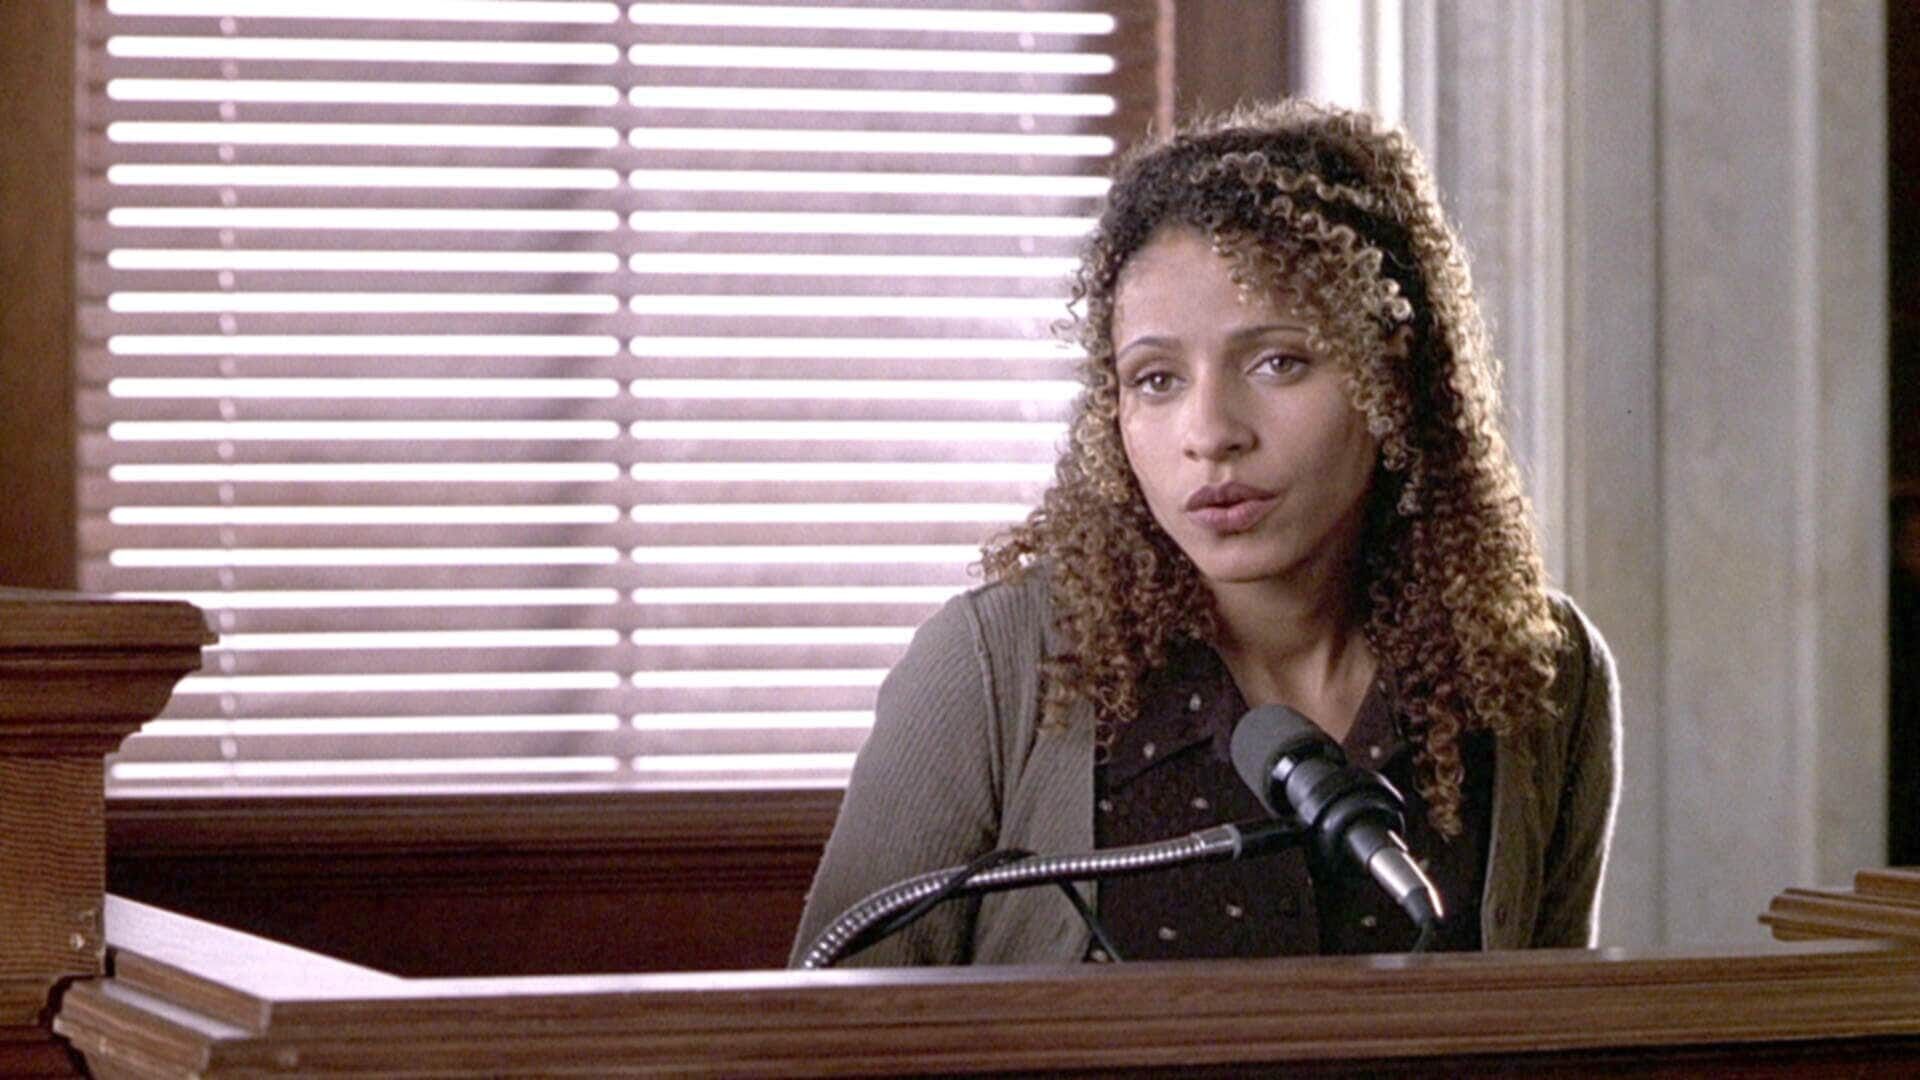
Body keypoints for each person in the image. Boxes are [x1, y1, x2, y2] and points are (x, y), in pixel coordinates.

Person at [790, 99, 1620, 967]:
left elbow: (1548, 1020)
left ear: (1393, 375)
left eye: (1278, 362)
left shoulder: (1543, 674)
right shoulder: (995, 668)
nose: (1211, 432)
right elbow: (834, 1025)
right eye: (1155, 380)